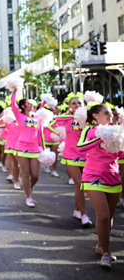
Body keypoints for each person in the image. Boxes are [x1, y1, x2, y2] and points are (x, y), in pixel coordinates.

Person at [76, 103, 121, 268]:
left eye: (111, 113)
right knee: (102, 215)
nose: (110, 116)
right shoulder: (89, 130)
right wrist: (99, 139)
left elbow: (121, 155)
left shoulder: (117, 132)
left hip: (113, 176)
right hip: (93, 176)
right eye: (106, 113)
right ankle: (106, 253)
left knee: (109, 217)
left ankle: (101, 246)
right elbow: (80, 148)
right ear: (95, 115)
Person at [48, 94, 91, 225]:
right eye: (74, 103)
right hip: (71, 154)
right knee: (79, 184)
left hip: (87, 155)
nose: (77, 105)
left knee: (83, 185)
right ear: (69, 106)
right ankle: (84, 215)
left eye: (79, 103)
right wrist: (60, 133)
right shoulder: (67, 117)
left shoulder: (89, 118)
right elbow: (52, 123)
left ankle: (77, 210)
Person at [11, 90, 42, 208]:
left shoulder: (37, 118)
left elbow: (40, 134)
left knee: (35, 175)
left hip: (34, 149)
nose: (31, 105)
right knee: (26, 173)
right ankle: (28, 197)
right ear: (23, 106)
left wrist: (43, 149)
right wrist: (16, 89)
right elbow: (13, 104)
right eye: (29, 103)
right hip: (22, 148)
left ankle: (29, 187)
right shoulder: (20, 116)